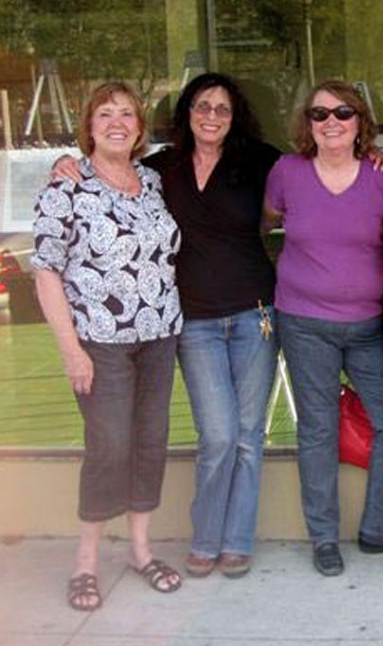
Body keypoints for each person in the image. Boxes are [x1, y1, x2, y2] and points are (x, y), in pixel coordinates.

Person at [52, 73, 282, 580]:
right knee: (218, 435)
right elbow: (100, 176)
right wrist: (64, 163)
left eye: (222, 108)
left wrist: (371, 157)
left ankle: (236, 541)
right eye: (203, 106)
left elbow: (308, 180)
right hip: (193, 321)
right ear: (187, 112)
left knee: (248, 435)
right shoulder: (160, 169)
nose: (212, 116)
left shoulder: (261, 161)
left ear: (234, 114)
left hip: (255, 315)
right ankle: (204, 538)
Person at [33, 82, 183, 611]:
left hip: (160, 337)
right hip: (99, 343)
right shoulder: (66, 187)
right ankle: (87, 562)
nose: (116, 122)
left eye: (127, 114)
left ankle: (141, 550)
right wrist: (71, 351)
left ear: (141, 128)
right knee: (109, 446)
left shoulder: (152, 180)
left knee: (149, 442)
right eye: (104, 114)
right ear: (89, 125)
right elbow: (46, 272)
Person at [263, 80, 383, 577]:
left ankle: (376, 527)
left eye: (343, 113)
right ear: (306, 124)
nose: (331, 122)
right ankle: (324, 537)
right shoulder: (287, 172)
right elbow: (265, 225)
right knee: (317, 430)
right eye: (320, 114)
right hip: (304, 323)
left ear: (360, 122)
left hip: (371, 324)